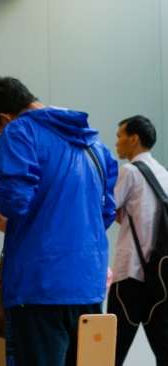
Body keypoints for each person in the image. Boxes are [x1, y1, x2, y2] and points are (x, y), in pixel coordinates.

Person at [0, 76, 117, 366]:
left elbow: (15, 200)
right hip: (88, 284)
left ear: (4, 118)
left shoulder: (19, 131)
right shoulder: (94, 144)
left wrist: (3, 209)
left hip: (39, 286)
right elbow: (106, 212)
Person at [109, 115, 168, 366]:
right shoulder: (164, 174)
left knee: (111, 351)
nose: (117, 142)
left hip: (131, 274)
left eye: (120, 136)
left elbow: (107, 208)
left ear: (134, 139)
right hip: (161, 277)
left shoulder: (129, 171)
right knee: (164, 350)